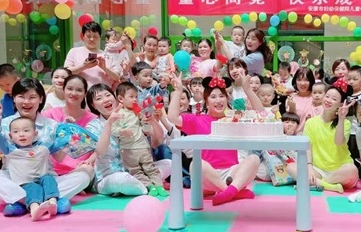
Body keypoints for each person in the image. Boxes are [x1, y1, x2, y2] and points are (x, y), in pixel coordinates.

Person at [0, 78, 90, 215]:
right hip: (15, 180)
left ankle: (20, 203)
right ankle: (47, 201)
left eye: (32, 97)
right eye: (21, 97)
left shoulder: (51, 125)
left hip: (45, 179)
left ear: (41, 99)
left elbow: (59, 158)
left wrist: (67, 137)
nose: (26, 102)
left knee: (84, 176)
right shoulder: (4, 124)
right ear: (14, 99)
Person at [167, 73, 264, 206]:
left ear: (227, 98)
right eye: (213, 97)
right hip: (208, 176)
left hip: (231, 174)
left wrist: (247, 89)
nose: (218, 100)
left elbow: (261, 115)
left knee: (254, 159)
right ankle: (233, 192)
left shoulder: (234, 119)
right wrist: (178, 90)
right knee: (196, 164)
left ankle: (228, 192)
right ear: (206, 102)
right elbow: (172, 117)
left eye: (221, 96)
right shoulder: (197, 120)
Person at [86, 84, 171, 196]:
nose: (106, 100)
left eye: (108, 95)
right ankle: (149, 186)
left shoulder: (131, 114)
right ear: (93, 105)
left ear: (116, 98)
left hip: (136, 170)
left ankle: (147, 185)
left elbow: (159, 137)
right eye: (99, 98)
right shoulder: (93, 126)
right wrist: (109, 123)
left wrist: (152, 120)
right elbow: (100, 152)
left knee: (169, 163)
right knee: (122, 180)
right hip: (111, 176)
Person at [0, 117, 62, 220]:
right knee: (33, 188)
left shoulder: (43, 147)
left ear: (35, 134)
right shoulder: (10, 149)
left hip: (43, 179)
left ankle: (52, 202)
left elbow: (59, 142)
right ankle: (34, 209)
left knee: (49, 179)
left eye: (26, 131)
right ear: (10, 136)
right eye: (16, 132)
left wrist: (66, 127)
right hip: (25, 184)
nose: (21, 134)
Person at [111, 82, 168, 197]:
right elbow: (113, 129)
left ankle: (159, 186)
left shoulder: (138, 112)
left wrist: (146, 122)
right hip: (128, 150)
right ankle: (150, 186)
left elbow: (145, 130)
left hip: (143, 147)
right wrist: (122, 131)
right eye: (131, 97)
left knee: (151, 168)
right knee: (135, 171)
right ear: (121, 99)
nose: (135, 99)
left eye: (136, 97)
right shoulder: (118, 114)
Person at [303, 78, 359, 193]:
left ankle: (318, 183)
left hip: (341, 170)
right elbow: (307, 148)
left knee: (352, 169)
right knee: (291, 167)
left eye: (334, 99)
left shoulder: (345, 123)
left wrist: (341, 118)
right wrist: (309, 167)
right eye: (327, 96)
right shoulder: (310, 122)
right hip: (318, 170)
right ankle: (330, 186)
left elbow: (338, 142)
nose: (328, 100)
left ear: (340, 104)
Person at [42, 75, 97, 176]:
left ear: (85, 94)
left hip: (80, 171)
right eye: (70, 89)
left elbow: (98, 149)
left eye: (79, 90)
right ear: (63, 90)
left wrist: (88, 162)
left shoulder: (94, 120)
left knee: (86, 170)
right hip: (51, 171)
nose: (74, 93)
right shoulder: (49, 115)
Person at [64, 21, 121, 89]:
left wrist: (104, 68)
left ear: (100, 37)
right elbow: (66, 72)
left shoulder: (108, 55)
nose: (92, 39)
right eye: (88, 36)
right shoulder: (74, 51)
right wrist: (83, 66)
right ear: (83, 37)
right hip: (79, 93)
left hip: (102, 93)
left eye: (95, 36)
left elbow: (117, 77)